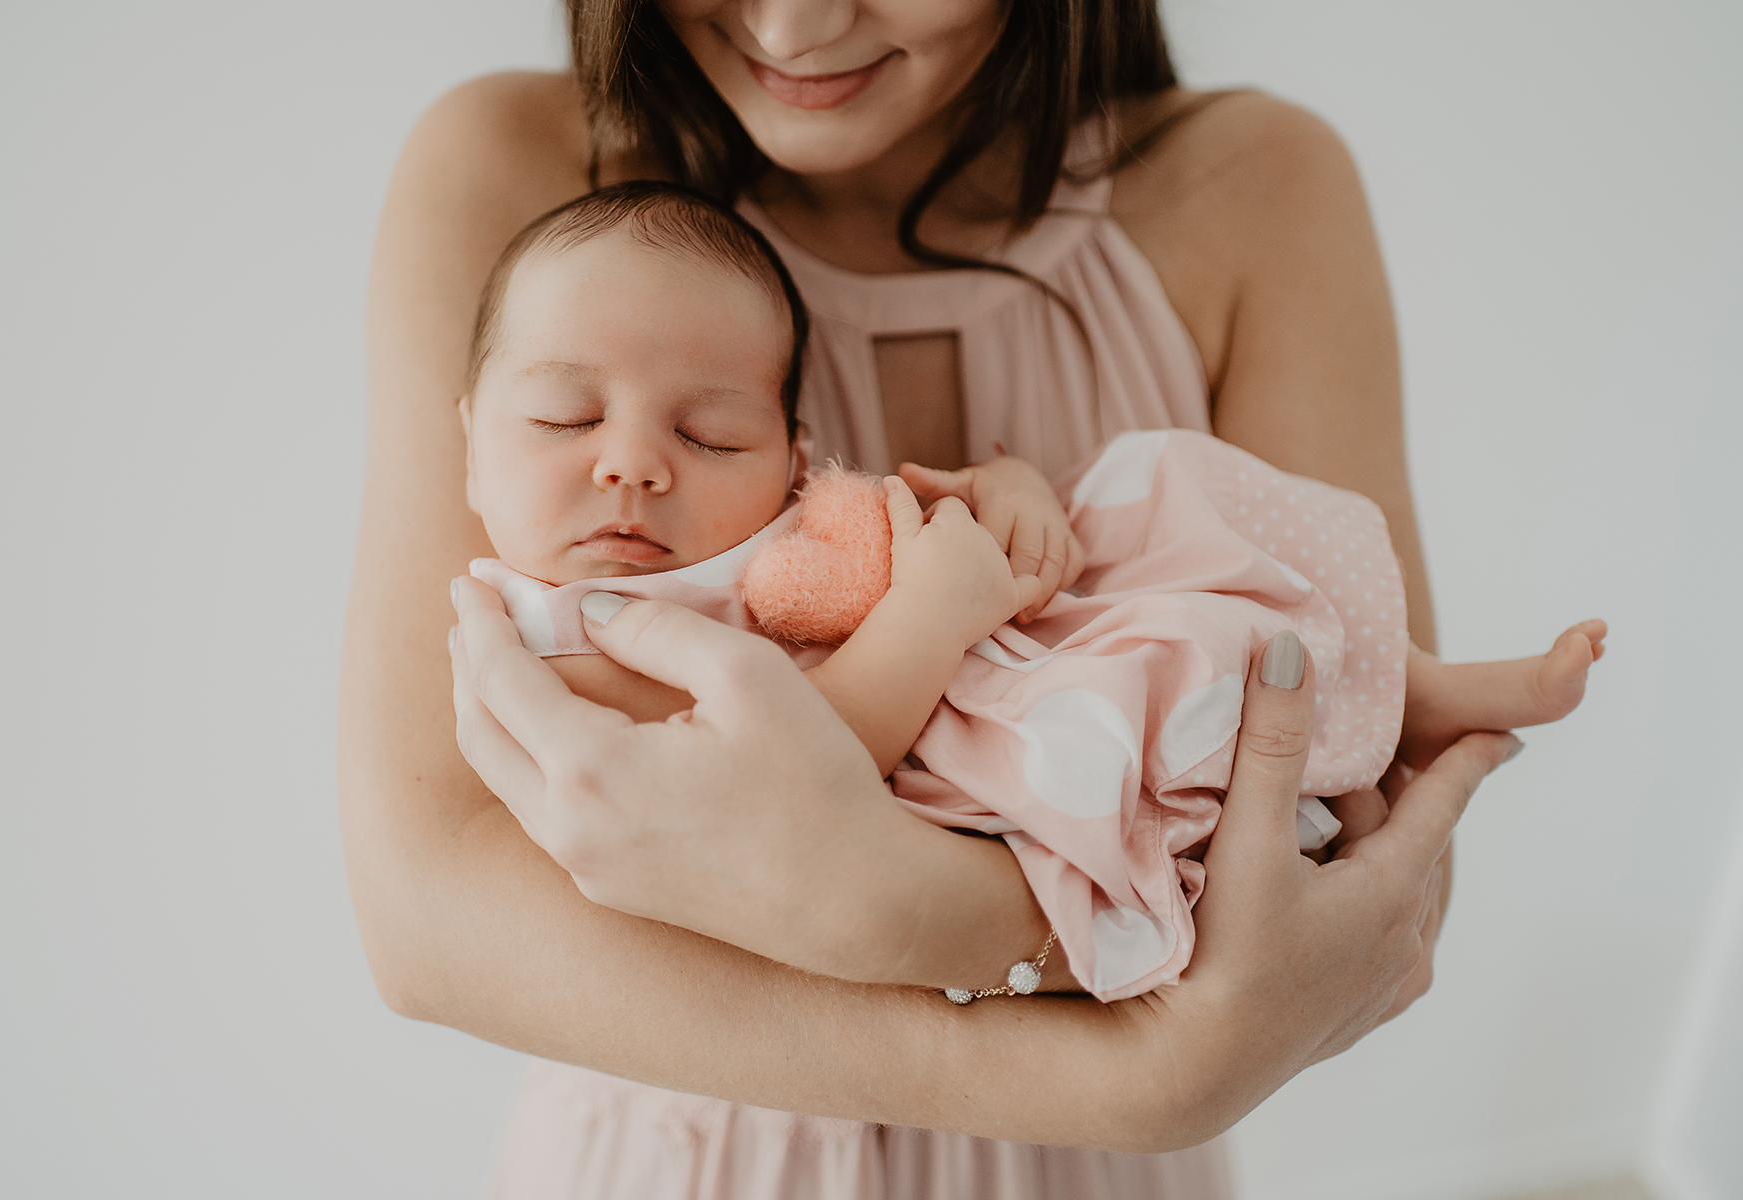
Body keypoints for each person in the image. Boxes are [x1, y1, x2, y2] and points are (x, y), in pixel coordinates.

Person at [341, 0, 1541, 1193]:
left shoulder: (1256, 188)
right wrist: (1135, 1077)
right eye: (564, 419)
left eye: (713, 430)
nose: (795, 27)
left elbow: (1350, 879)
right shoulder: (521, 168)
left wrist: (893, 907)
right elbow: (433, 919)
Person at [456, 178, 1604, 1008]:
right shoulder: (559, 647)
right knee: (1169, 657)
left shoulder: (787, 519)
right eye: (564, 418)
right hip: (985, 751)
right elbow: (787, 775)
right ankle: (1394, 710)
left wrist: (1009, 497)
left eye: (712, 435)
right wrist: (932, 614)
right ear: (469, 445)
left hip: (1016, 653)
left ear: (790, 450)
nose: (633, 463)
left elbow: (929, 519)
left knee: (1146, 510)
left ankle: (1422, 685)